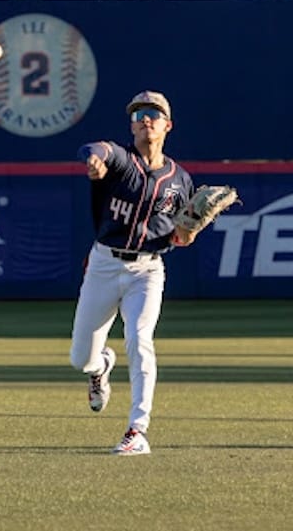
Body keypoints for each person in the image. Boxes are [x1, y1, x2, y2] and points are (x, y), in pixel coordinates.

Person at [70, 90, 195, 456]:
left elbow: (181, 235)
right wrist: (93, 158)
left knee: (140, 340)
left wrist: (188, 232)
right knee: (80, 358)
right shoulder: (121, 161)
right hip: (104, 265)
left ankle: (137, 430)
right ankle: (100, 366)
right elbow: (97, 148)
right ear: (132, 124)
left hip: (148, 270)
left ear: (167, 125)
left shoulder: (180, 180)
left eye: (153, 113)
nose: (145, 119)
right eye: (139, 113)